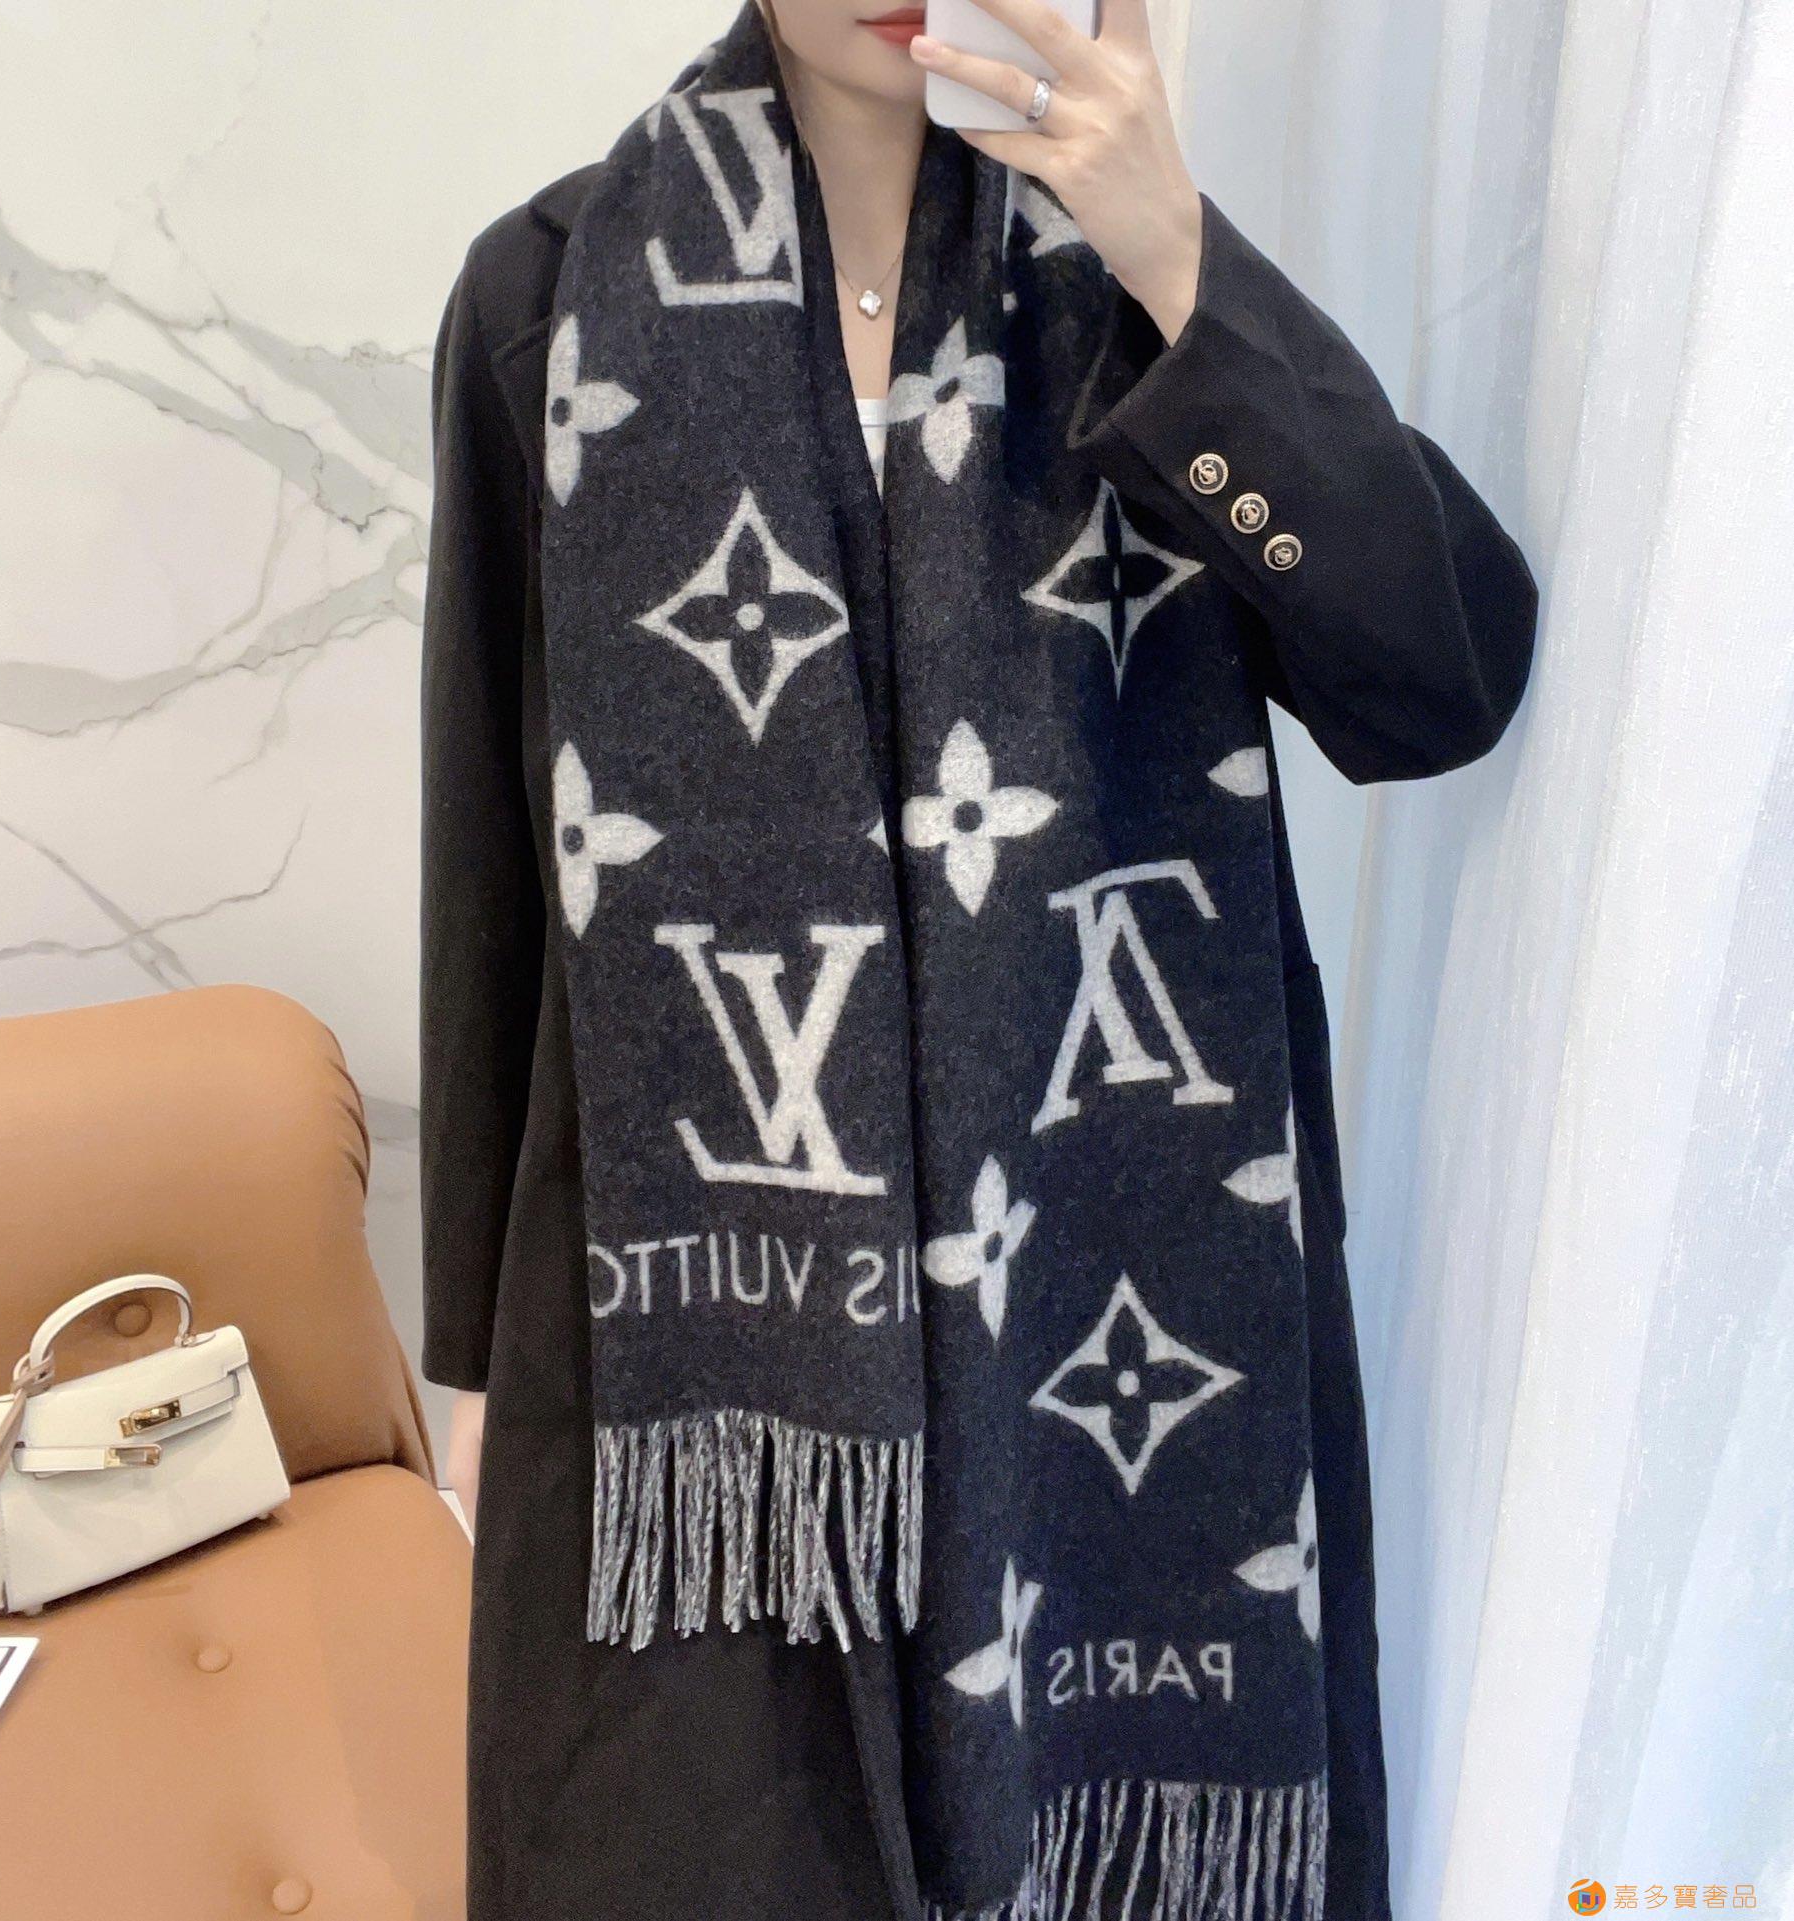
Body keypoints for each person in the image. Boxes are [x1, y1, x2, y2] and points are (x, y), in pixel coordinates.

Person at [419, 2, 1538, 1916]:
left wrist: (1177, 258)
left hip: (1102, 1282)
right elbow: (493, 855)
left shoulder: (1125, 290)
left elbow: (1441, 675)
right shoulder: (549, 294)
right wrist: (468, 1353)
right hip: (703, 1346)